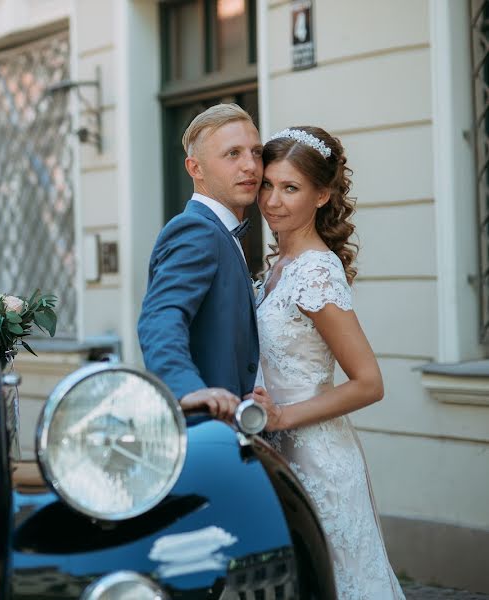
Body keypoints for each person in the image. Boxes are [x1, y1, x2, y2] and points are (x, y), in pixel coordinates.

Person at [247, 126, 406, 599]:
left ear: (322, 195)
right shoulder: (279, 265)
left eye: (290, 188)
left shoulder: (315, 271)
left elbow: (369, 383)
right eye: (267, 185)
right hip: (281, 454)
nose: (273, 201)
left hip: (318, 460)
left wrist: (283, 416)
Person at [138, 103, 262, 421]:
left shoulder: (221, 230)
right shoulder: (196, 230)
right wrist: (186, 389)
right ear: (195, 169)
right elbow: (160, 318)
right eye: (233, 154)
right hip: (207, 430)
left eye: (256, 152)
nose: (251, 165)